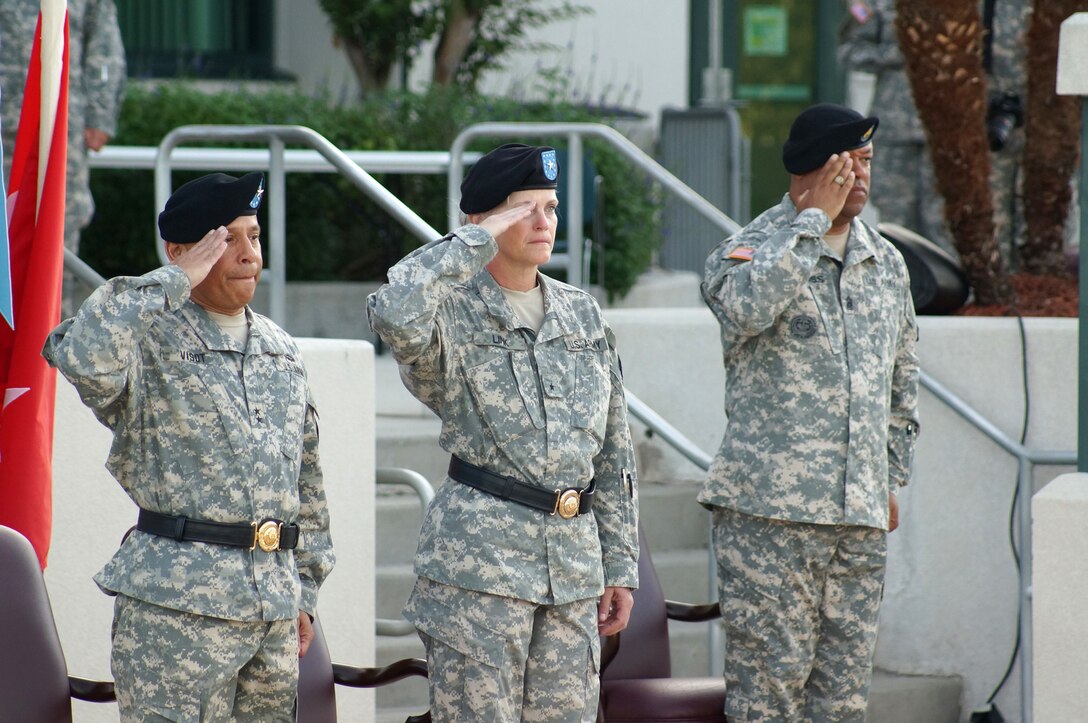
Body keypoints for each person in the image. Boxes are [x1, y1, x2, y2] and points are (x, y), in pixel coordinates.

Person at [42, 172, 334, 722]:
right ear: (181, 251)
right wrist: (170, 281)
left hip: (270, 616)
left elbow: (307, 485)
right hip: (177, 615)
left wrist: (305, 591)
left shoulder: (279, 349)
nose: (249, 254)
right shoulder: (148, 337)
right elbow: (82, 354)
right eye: (229, 240)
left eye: (255, 237)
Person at [368, 143, 639, 722]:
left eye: (552, 206)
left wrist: (619, 566)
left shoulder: (582, 314)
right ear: (483, 221)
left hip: (571, 572)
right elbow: (393, 310)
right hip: (480, 575)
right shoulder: (450, 311)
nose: (545, 222)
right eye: (525, 210)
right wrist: (474, 240)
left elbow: (614, 452)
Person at [700, 104, 920, 722]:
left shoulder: (885, 262)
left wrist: (891, 477)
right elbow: (746, 310)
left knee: (841, 703)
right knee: (767, 701)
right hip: (772, 518)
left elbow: (901, 382)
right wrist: (811, 220)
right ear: (814, 170)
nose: (864, 176)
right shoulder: (746, 252)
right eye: (850, 164)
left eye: (868, 162)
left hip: (858, 518)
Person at [838, 0, 1029, 261]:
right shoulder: (879, 4)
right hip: (895, 130)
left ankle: (946, 294)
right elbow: (849, 52)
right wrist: (900, 52)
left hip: (945, 129)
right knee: (895, 219)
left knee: (942, 221)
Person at [1, 0, 126, 255]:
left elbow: (104, 44)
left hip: (58, 125)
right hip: (3, 124)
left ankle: (58, 296)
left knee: (58, 225)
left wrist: (99, 115)